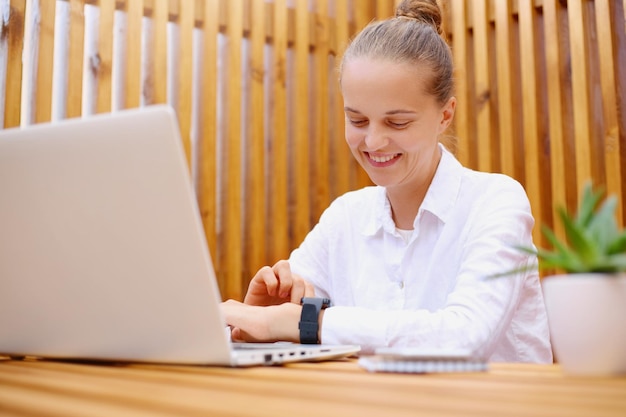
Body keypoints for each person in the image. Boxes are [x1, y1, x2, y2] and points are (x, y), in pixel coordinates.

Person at [221, 0, 553, 363]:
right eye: (358, 121)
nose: (374, 142)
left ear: (445, 115)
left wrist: (304, 323)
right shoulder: (345, 218)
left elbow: (464, 336)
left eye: (397, 123)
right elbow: (279, 319)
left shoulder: (495, 202)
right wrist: (256, 328)